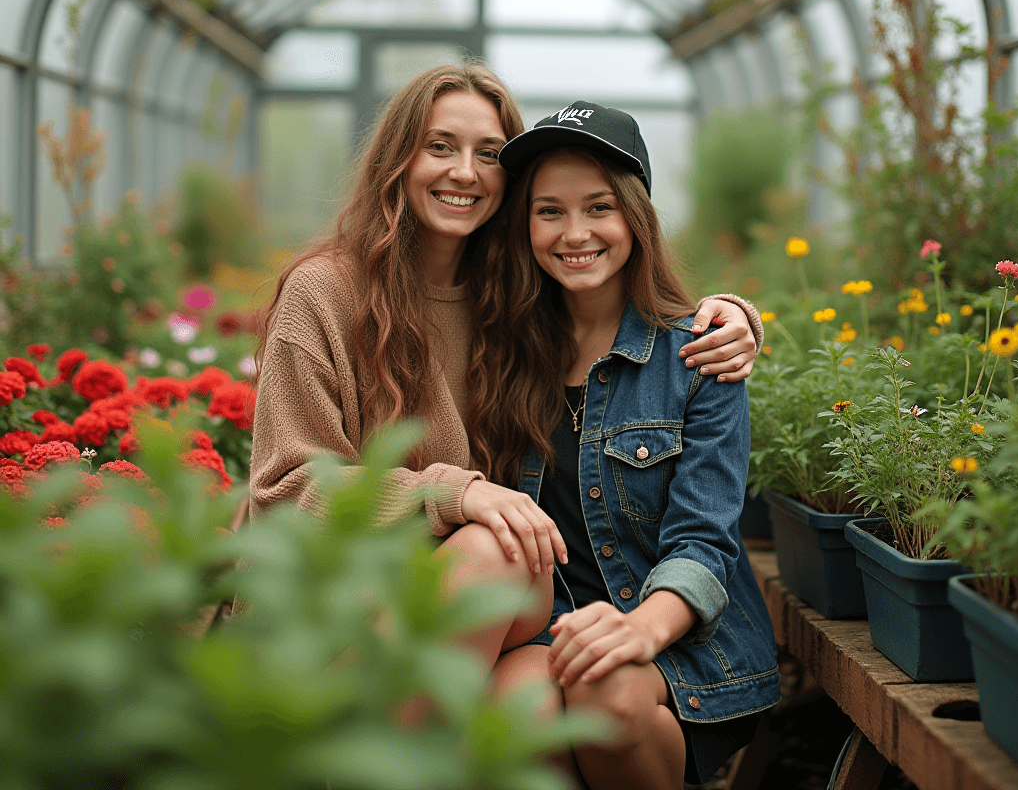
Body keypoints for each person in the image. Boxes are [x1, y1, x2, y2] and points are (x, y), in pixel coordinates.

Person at [251, 64, 764, 670]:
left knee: (509, 573)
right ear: (396, 160)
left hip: (490, 602)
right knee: (498, 555)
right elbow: (284, 489)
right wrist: (452, 494)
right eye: (439, 147)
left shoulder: (513, 302)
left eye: (488, 153)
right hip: (344, 592)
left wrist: (733, 317)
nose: (464, 172)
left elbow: (615, 309)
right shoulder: (324, 294)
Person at [484, 103, 779, 789]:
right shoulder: (499, 357)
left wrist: (639, 629)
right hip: (554, 625)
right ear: (524, 225)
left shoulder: (698, 356)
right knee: (513, 714)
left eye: (598, 208)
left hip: (683, 639)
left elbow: (705, 541)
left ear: (635, 218)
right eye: (549, 211)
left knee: (607, 696)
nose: (575, 233)